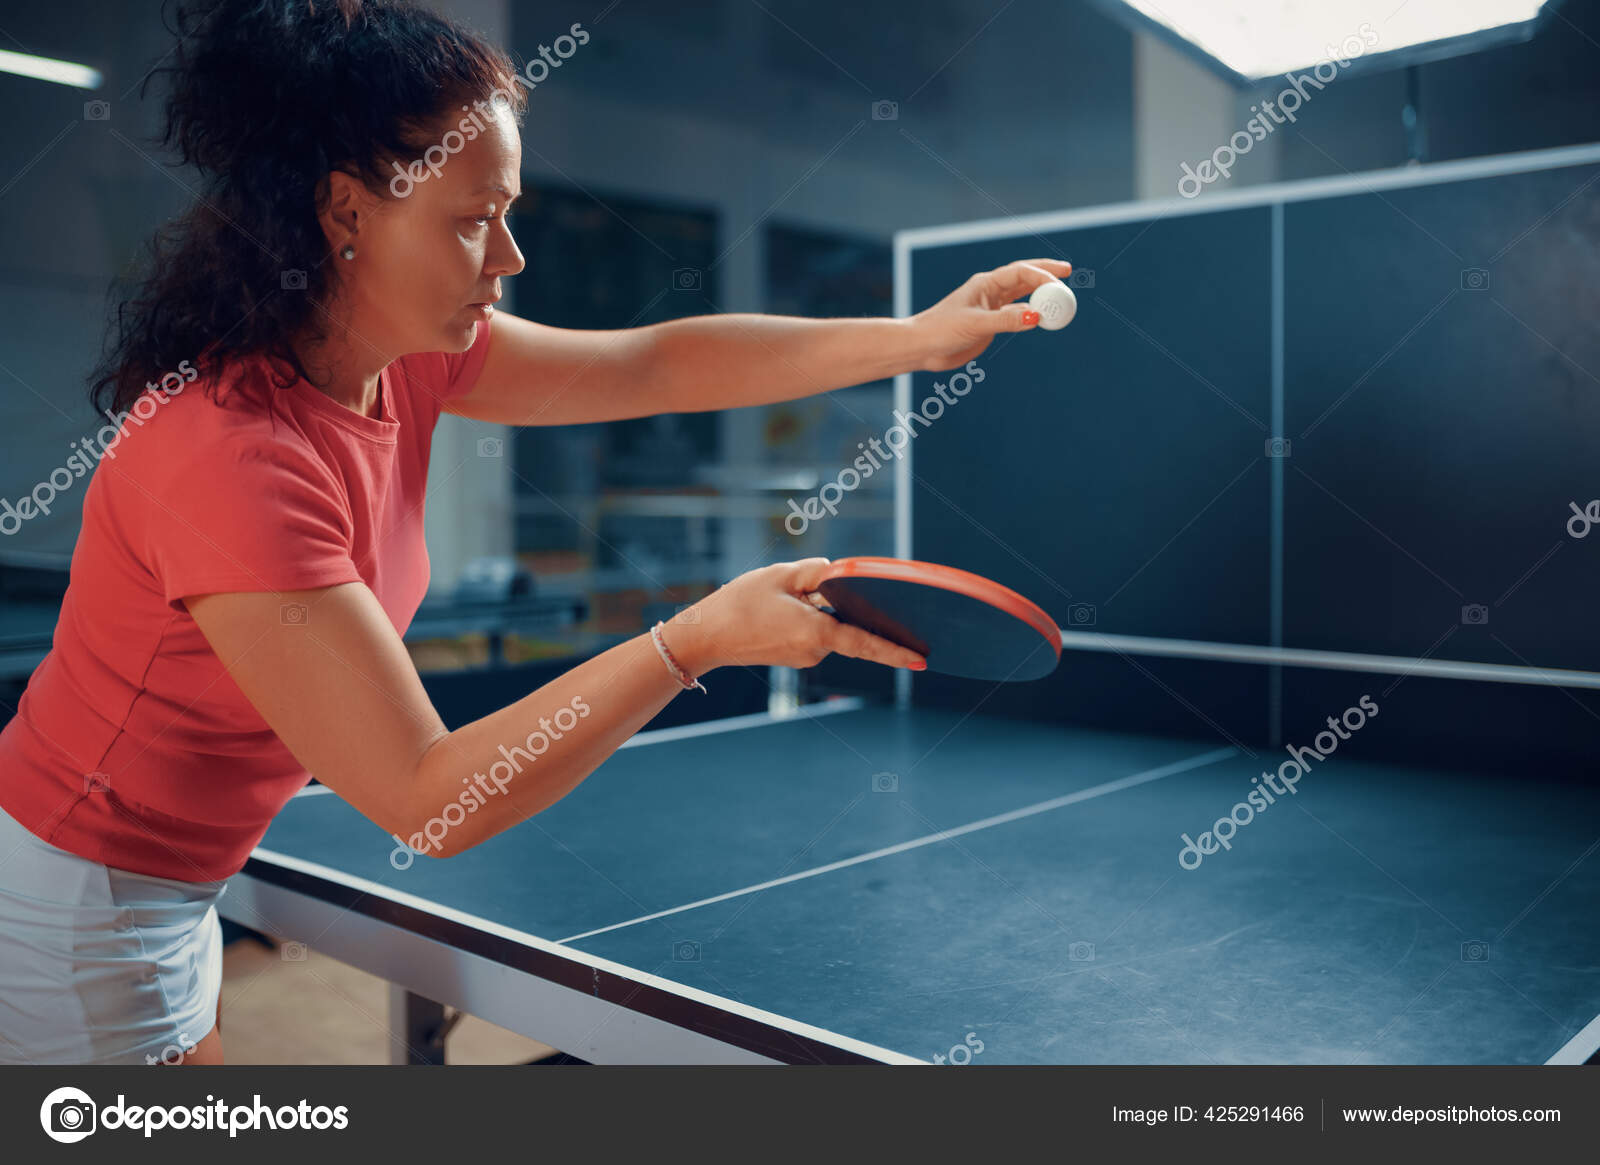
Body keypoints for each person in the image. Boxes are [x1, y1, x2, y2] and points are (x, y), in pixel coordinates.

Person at [0, 0, 1068, 1066]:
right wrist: (689, 641)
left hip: (164, 888)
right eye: (474, 219)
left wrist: (916, 340)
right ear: (346, 213)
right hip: (79, 907)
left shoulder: (405, 359)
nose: (508, 256)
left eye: (506, 212)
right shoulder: (235, 458)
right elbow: (430, 797)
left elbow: (653, 363)